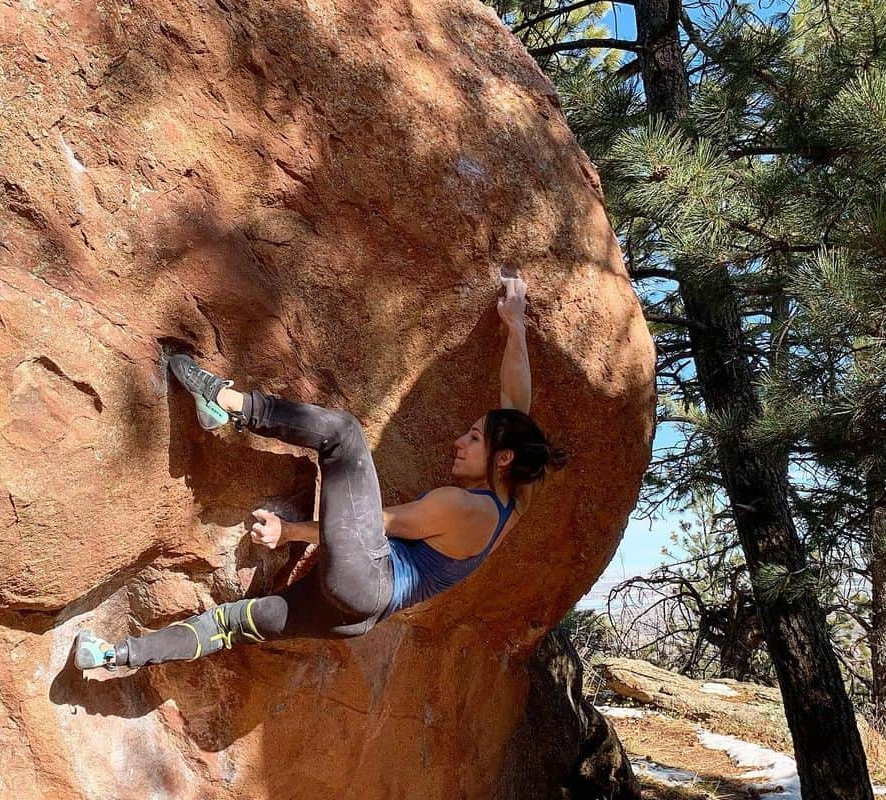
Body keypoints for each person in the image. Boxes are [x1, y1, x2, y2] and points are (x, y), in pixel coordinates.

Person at [74, 276, 565, 670]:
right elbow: (515, 406)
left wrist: (290, 531)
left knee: (343, 436)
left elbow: (367, 526)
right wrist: (515, 327)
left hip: (367, 578)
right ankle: (114, 656)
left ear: (502, 458)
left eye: (474, 438)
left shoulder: (459, 506)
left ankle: (225, 402)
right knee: (232, 625)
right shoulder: (513, 502)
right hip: (356, 617)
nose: (459, 442)